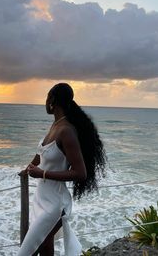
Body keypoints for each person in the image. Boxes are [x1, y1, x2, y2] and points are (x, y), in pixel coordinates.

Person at [18, 83, 106, 256]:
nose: (45, 101)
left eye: (47, 97)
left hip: (55, 204)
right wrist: (28, 168)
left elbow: (80, 173)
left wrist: (42, 173)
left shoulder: (66, 131)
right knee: (44, 246)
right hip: (41, 199)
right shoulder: (55, 126)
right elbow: (42, 154)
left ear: (53, 100)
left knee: (26, 252)